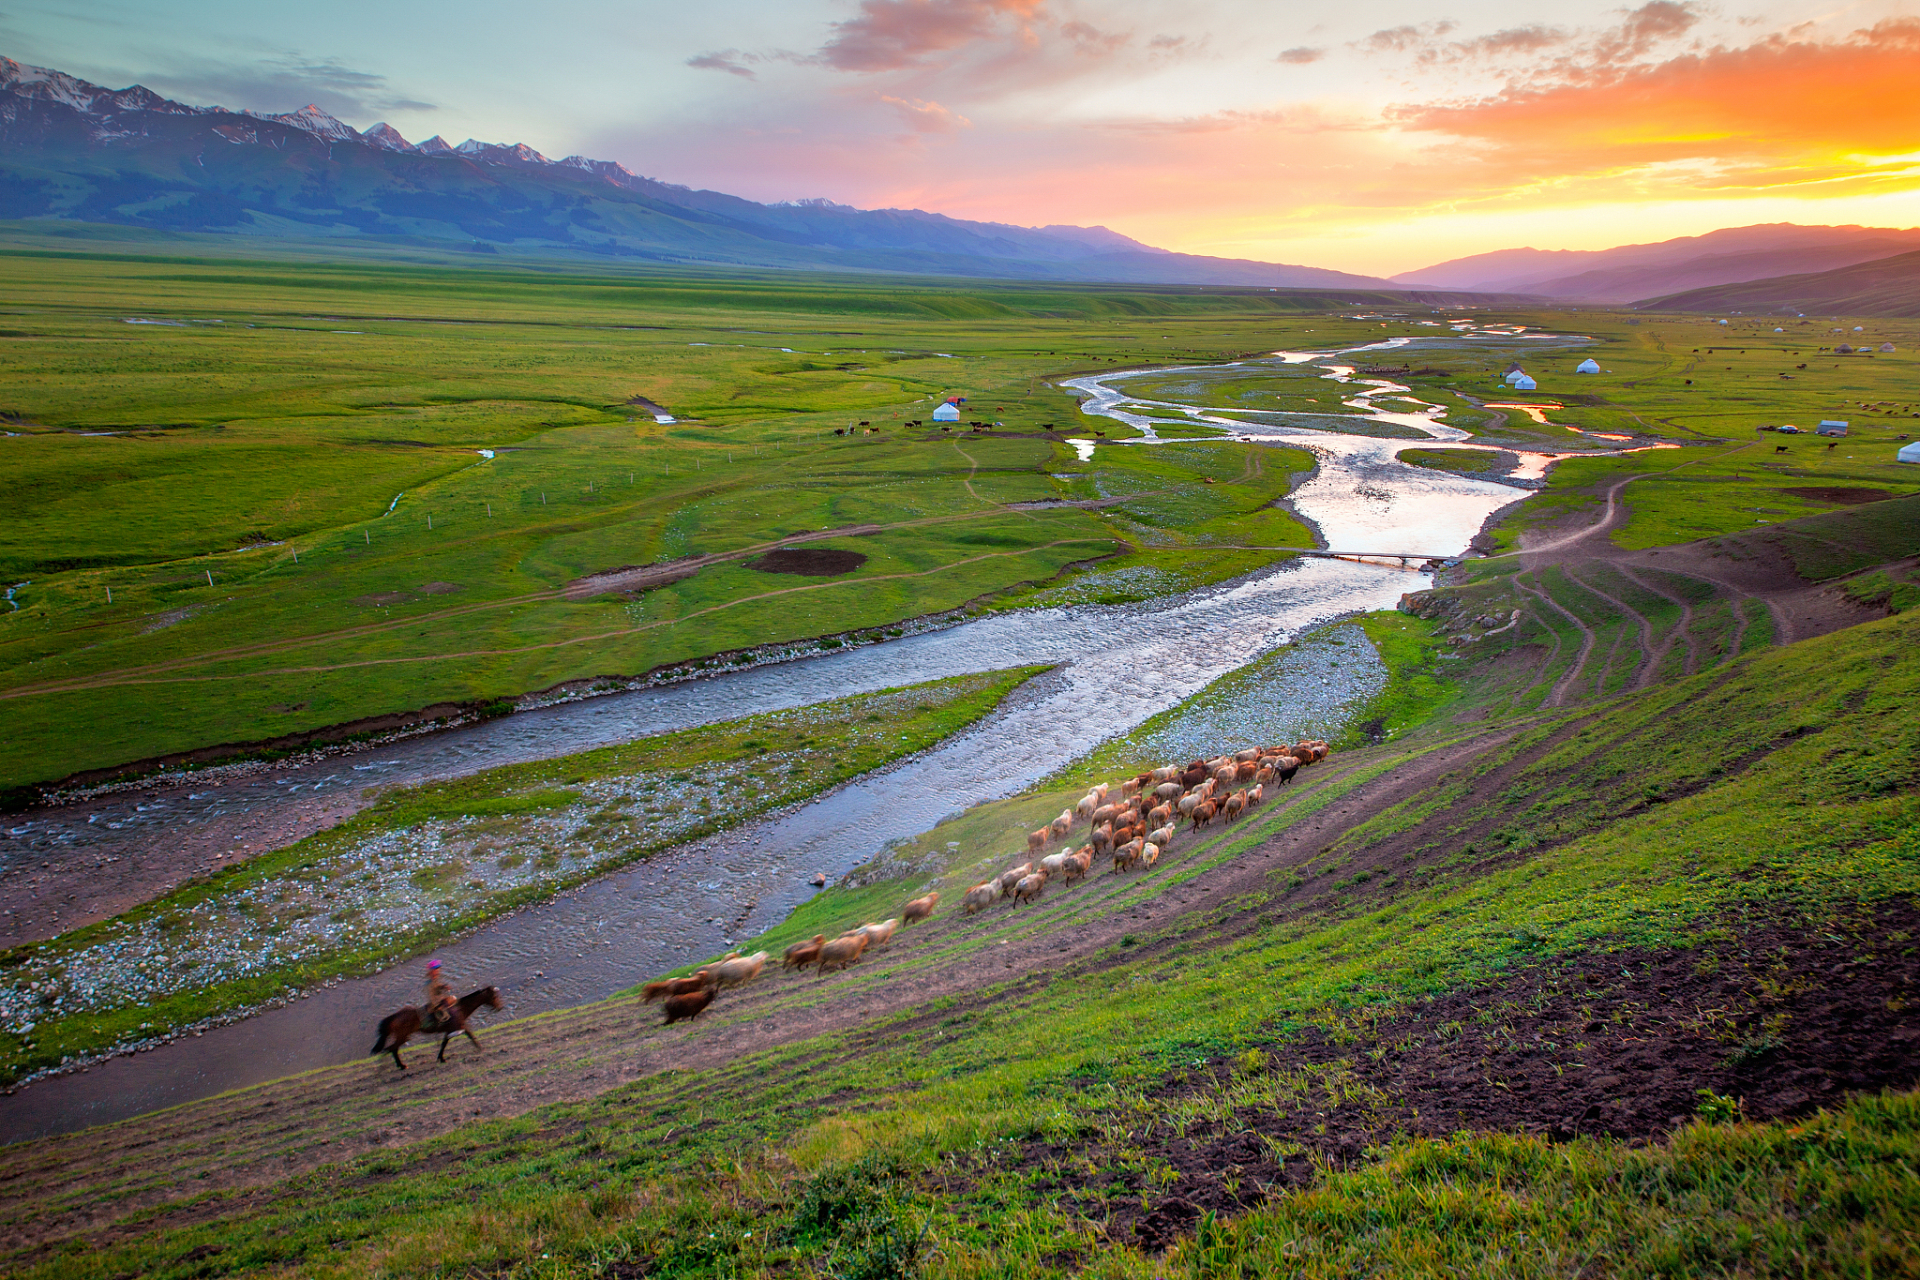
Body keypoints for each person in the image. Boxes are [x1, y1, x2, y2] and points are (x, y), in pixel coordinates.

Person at [424, 959, 457, 1029]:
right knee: (451, 1000)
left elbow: (438, 986)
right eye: (435, 970)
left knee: (453, 999)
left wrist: (444, 986)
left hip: (440, 1000)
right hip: (435, 1005)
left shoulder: (435, 980)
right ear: (431, 972)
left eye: (438, 970)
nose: (438, 972)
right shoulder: (429, 984)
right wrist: (438, 1006)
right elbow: (431, 997)